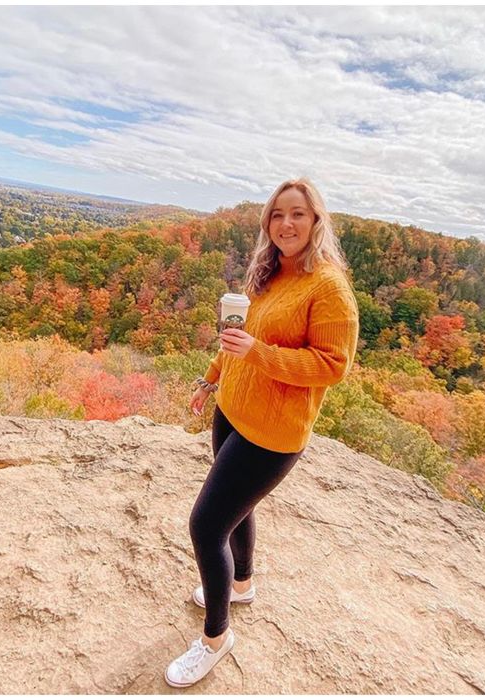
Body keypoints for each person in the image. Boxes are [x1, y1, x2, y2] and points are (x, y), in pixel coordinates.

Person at [165, 178, 360, 688]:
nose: (286, 224)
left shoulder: (329, 287)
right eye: (277, 215)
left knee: (206, 526)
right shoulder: (269, 274)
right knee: (236, 512)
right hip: (232, 409)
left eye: (297, 214)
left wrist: (258, 353)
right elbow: (236, 341)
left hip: (273, 433)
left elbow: (333, 366)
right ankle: (242, 585)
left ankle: (215, 639)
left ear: (317, 220)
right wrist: (211, 379)